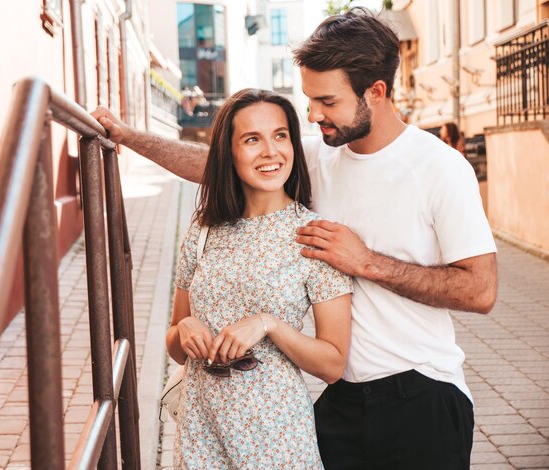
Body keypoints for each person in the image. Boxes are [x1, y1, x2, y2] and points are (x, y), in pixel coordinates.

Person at [92, 9, 498, 469]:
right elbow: (219, 164)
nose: (313, 114)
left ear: (376, 92)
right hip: (339, 400)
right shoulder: (320, 157)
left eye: (326, 101)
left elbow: (481, 290)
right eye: (309, 100)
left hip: (422, 396)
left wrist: (367, 262)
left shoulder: (440, 168)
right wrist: (127, 137)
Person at [164, 88, 353, 468]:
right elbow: (174, 346)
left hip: (278, 437)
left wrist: (269, 325)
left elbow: (333, 364)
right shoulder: (204, 230)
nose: (270, 151)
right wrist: (184, 327)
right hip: (202, 431)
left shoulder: (313, 235)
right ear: (228, 152)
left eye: (280, 135)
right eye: (252, 139)